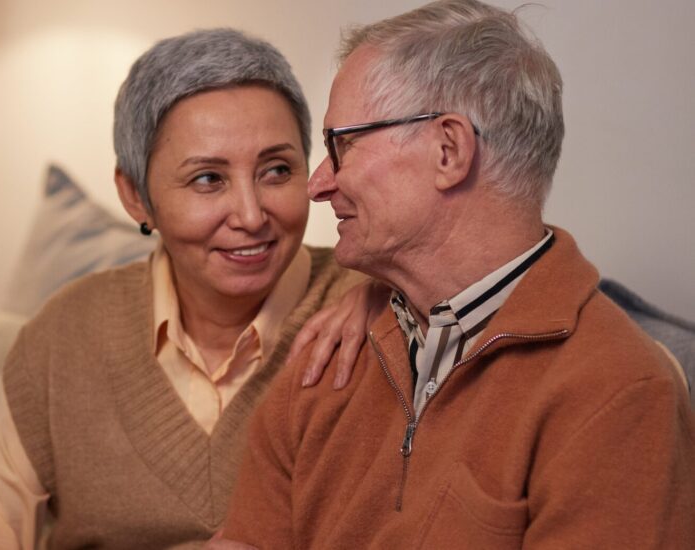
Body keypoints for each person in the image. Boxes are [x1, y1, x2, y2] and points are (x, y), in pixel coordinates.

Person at [217, 1, 695, 548]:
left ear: (449, 150)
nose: (319, 183)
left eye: (341, 145)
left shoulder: (619, 392)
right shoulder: (331, 353)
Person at [0, 28, 369, 549]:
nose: (250, 214)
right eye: (208, 180)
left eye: (277, 170)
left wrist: (380, 291)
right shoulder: (66, 334)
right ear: (135, 198)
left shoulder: (381, 311)